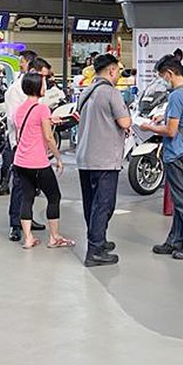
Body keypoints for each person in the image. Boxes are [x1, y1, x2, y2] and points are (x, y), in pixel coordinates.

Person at [143, 58, 183, 260]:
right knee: (180, 200)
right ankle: (175, 240)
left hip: (177, 153)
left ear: (169, 73)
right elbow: (182, 122)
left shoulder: (177, 96)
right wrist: (163, 118)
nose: (163, 81)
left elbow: (171, 131)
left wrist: (148, 127)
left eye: (162, 77)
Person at [74, 54, 129, 267]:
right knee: (104, 204)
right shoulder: (111, 93)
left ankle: (98, 240)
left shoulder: (86, 91)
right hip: (105, 158)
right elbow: (124, 122)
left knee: (91, 204)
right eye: (118, 72)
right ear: (112, 71)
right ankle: (95, 250)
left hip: (85, 157)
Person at [11, 72, 74, 250]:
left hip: (20, 161)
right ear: (37, 87)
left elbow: (24, 131)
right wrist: (59, 157)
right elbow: (48, 137)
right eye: (44, 84)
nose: (46, 87)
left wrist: (48, 121)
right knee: (54, 197)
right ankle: (54, 237)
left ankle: (28, 238)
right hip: (38, 162)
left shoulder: (20, 109)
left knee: (27, 197)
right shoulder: (42, 109)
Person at [0, 50, 40, 198]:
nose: (19, 64)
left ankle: (30, 191)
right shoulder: (20, 81)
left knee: (21, 171)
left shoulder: (28, 84)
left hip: (23, 134)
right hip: (15, 132)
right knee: (9, 160)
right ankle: (5, 186)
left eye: (22, 61)